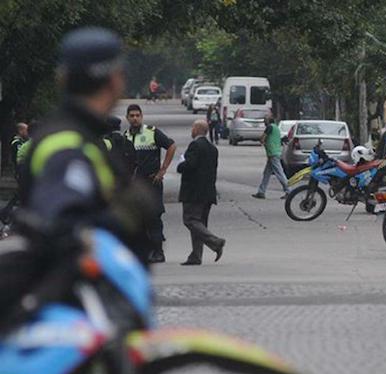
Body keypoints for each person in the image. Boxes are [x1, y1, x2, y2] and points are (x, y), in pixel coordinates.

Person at [2, 27, 158, 310]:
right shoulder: (67, 144)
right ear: (115, 80)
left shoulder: (76, 135)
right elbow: (63, 225)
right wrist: (123, 215)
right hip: (74, 307)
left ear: (62, 79)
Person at [124, 104, 177, 263]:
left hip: (151, 182)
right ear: (127, 118)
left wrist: (163, 170)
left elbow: (171, 146)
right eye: (132, 116)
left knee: (154, 216)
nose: (135, 118)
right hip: (135, 185)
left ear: (141, 116)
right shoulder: (125, 136)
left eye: (137, 115)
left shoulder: (152, 132)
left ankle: (159, 251)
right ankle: (145, 251)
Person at [177, 120, 225, 265]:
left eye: (192, 127)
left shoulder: (195, 145)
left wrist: (181, 164)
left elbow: (190, 165)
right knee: (200, 223)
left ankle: (216, 242)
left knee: (190, 220)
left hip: (194, 192)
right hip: (208, 191)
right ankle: (196, 255)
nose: (191, 130)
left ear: (197, 129)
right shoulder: (213, 148)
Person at [252, 115, 290, 200]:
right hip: (274, 153)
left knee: (280, 173)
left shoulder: (269, 127)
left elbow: (262, 138)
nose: (264, 122)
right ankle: (261, 192)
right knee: (266, 173)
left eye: (265, 120)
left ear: (269, 120)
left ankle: (289, 191)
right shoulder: (276, 127)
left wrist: (263, 141)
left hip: (273, 153)